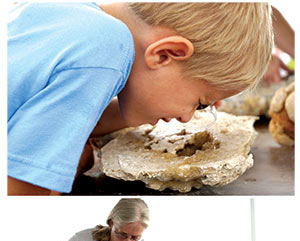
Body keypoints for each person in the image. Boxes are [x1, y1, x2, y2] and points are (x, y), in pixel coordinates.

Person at [8, 3, 275, 195]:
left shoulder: (70, 14)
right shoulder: (106, 50)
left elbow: (62, 117)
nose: (187, 117)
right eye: (200, 102)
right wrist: (75, 160)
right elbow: (18, 191)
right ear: (164, 55)